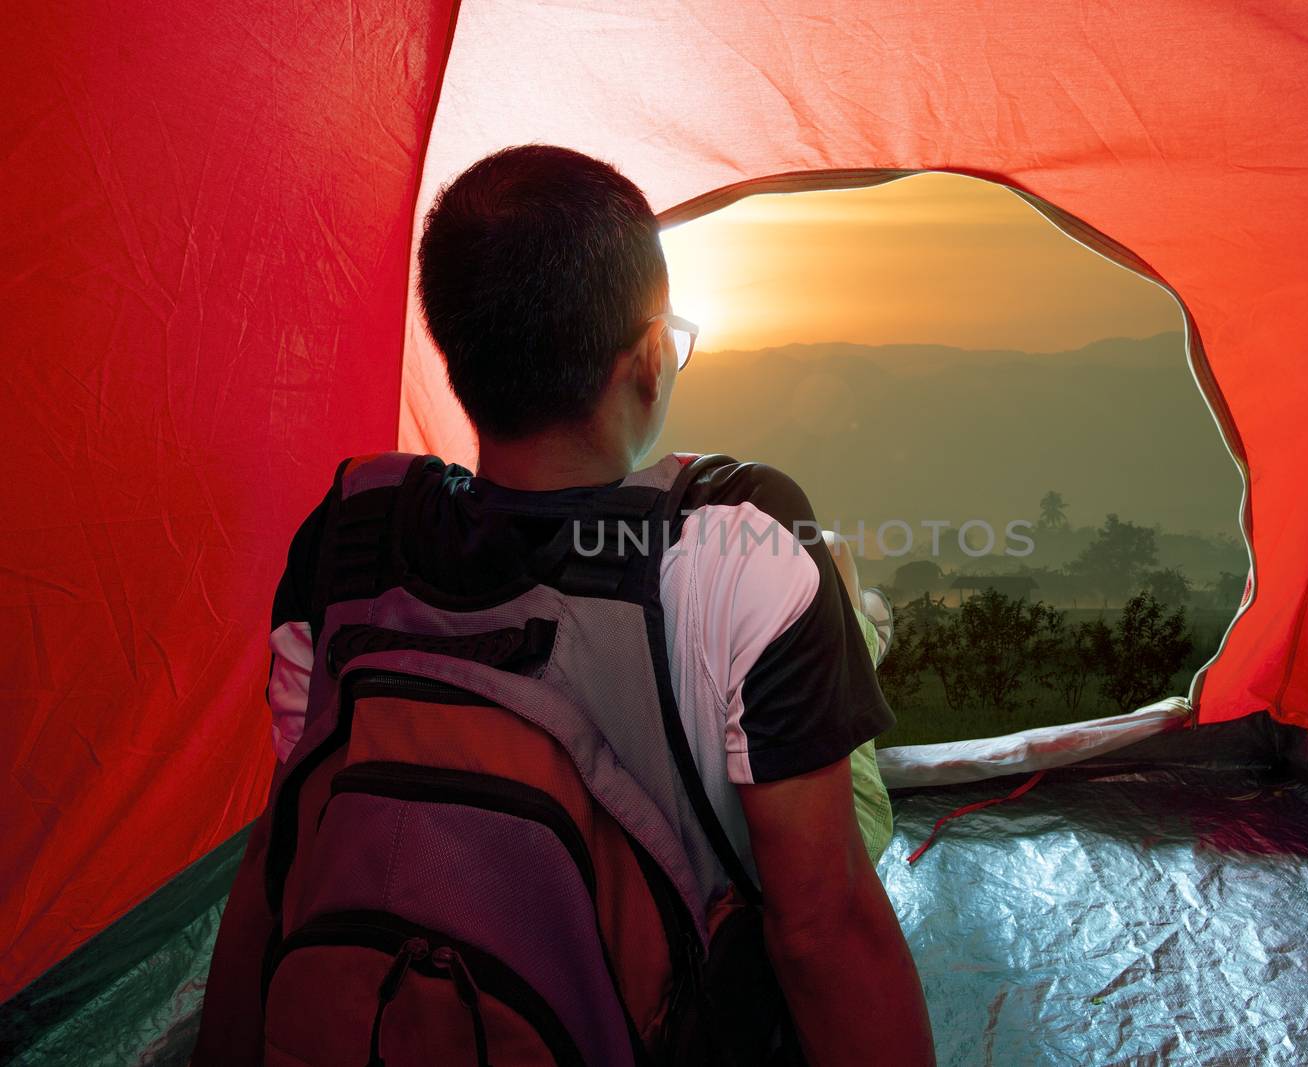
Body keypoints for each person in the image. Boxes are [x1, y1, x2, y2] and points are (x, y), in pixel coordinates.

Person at [200, 144, 934, 1065]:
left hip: (375, 1011)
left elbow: (284, 853)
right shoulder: (734, 539)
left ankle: (857, 619)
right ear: (647, 362)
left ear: (457, 350)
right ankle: (860, 623)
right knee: (828, 588)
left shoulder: (351, 535)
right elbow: (824, 930)